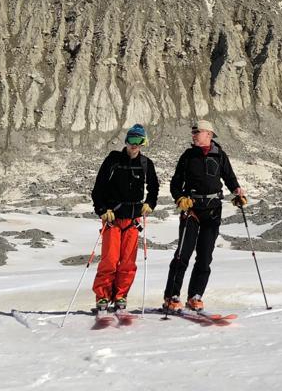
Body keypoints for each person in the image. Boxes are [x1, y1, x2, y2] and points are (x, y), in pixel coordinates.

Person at [163, 119, 247, 313]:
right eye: (193, 132)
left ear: (209, 134)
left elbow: (230, 178)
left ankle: (195, 296)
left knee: (205, 256)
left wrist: (238, 192)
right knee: (182, 255)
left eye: (197, 132)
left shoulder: (220, 155)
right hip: (191, 210)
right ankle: (171, 296)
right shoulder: (187, 156)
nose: (193, 135)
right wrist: (179, 198)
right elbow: (175, 183)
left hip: (213, 210)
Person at [90, 123, 159, 312]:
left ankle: (121, 295)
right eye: (131, 140)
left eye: (138, 140)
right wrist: (102, 209)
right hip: (112, 219)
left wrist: (150, 204)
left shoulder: (146, 164)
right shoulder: (113, 160)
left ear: (143, 142)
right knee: (109, 260)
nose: (134, 144)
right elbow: (98, 189)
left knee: (128, 262)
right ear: (126, 141)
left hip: (132, 221)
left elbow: (154, 188)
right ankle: (102, 296)